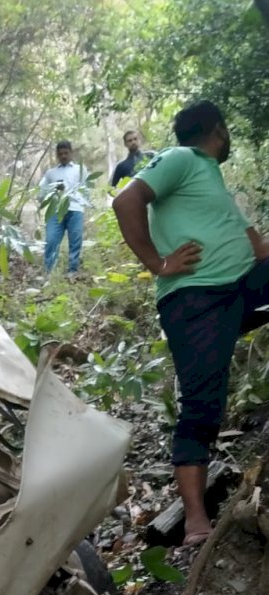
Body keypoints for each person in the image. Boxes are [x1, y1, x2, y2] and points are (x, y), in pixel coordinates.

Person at [113, 100, 269, 545]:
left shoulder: (214, 187)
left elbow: (259, 251)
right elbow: (126, 200)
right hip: (196, 300)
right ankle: (197, 520)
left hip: (241, 287)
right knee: (202, 408)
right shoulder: (182, 158)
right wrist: (157, 263)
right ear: (217, 130)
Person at [39, 140, 90, 274]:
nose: (63, 156)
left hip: (75, 209)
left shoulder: (80, 169)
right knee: (51, 241)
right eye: (60, 154)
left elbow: (86, 190)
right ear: (57, 155)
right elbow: (41, 194)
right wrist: (54, 190)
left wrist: (82, 202)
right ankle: (50, 272)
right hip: (56, 211)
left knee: (75, 241)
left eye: (66, 153)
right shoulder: (51, 173)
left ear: (71, 153)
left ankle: (72, 272)